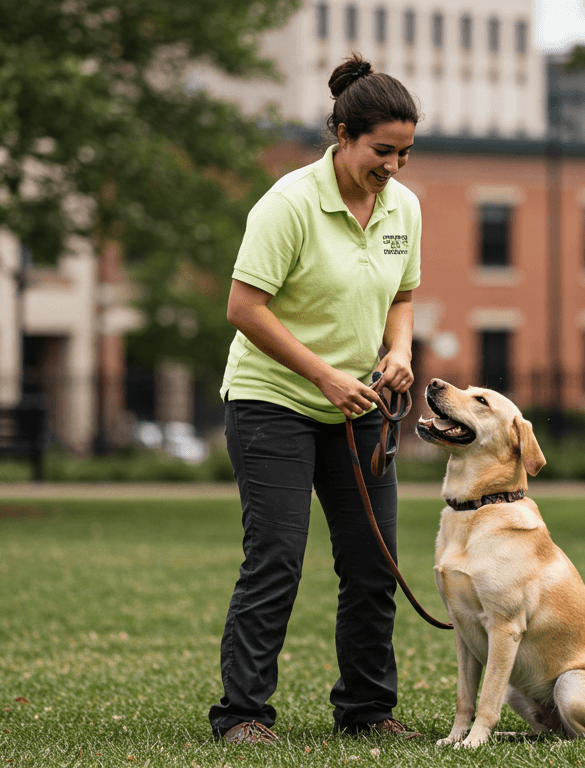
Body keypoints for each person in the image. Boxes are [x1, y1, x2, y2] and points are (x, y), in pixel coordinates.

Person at [207, 55, 423, 745]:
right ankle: (242, 714)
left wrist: (399, 353)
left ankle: (366, 711)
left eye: (405, 153)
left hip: (357, 408)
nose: (393, 166)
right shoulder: (289, 204)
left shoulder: (403, 208)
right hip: (272, 402)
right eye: (381, 151)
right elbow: (245, 307)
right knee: (275, 558)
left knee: (372, 563)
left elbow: (404, 295)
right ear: (341, 133)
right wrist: (324, 374)